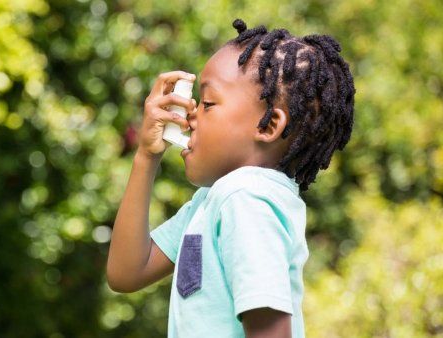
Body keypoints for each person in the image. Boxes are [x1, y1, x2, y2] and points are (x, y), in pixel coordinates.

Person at [106, 18, 355, 338]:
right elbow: (127, 272)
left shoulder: (246, 199)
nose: (191, 114)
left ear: (268, 126)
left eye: (208, 103)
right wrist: (146, 155)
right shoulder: (213, 203)